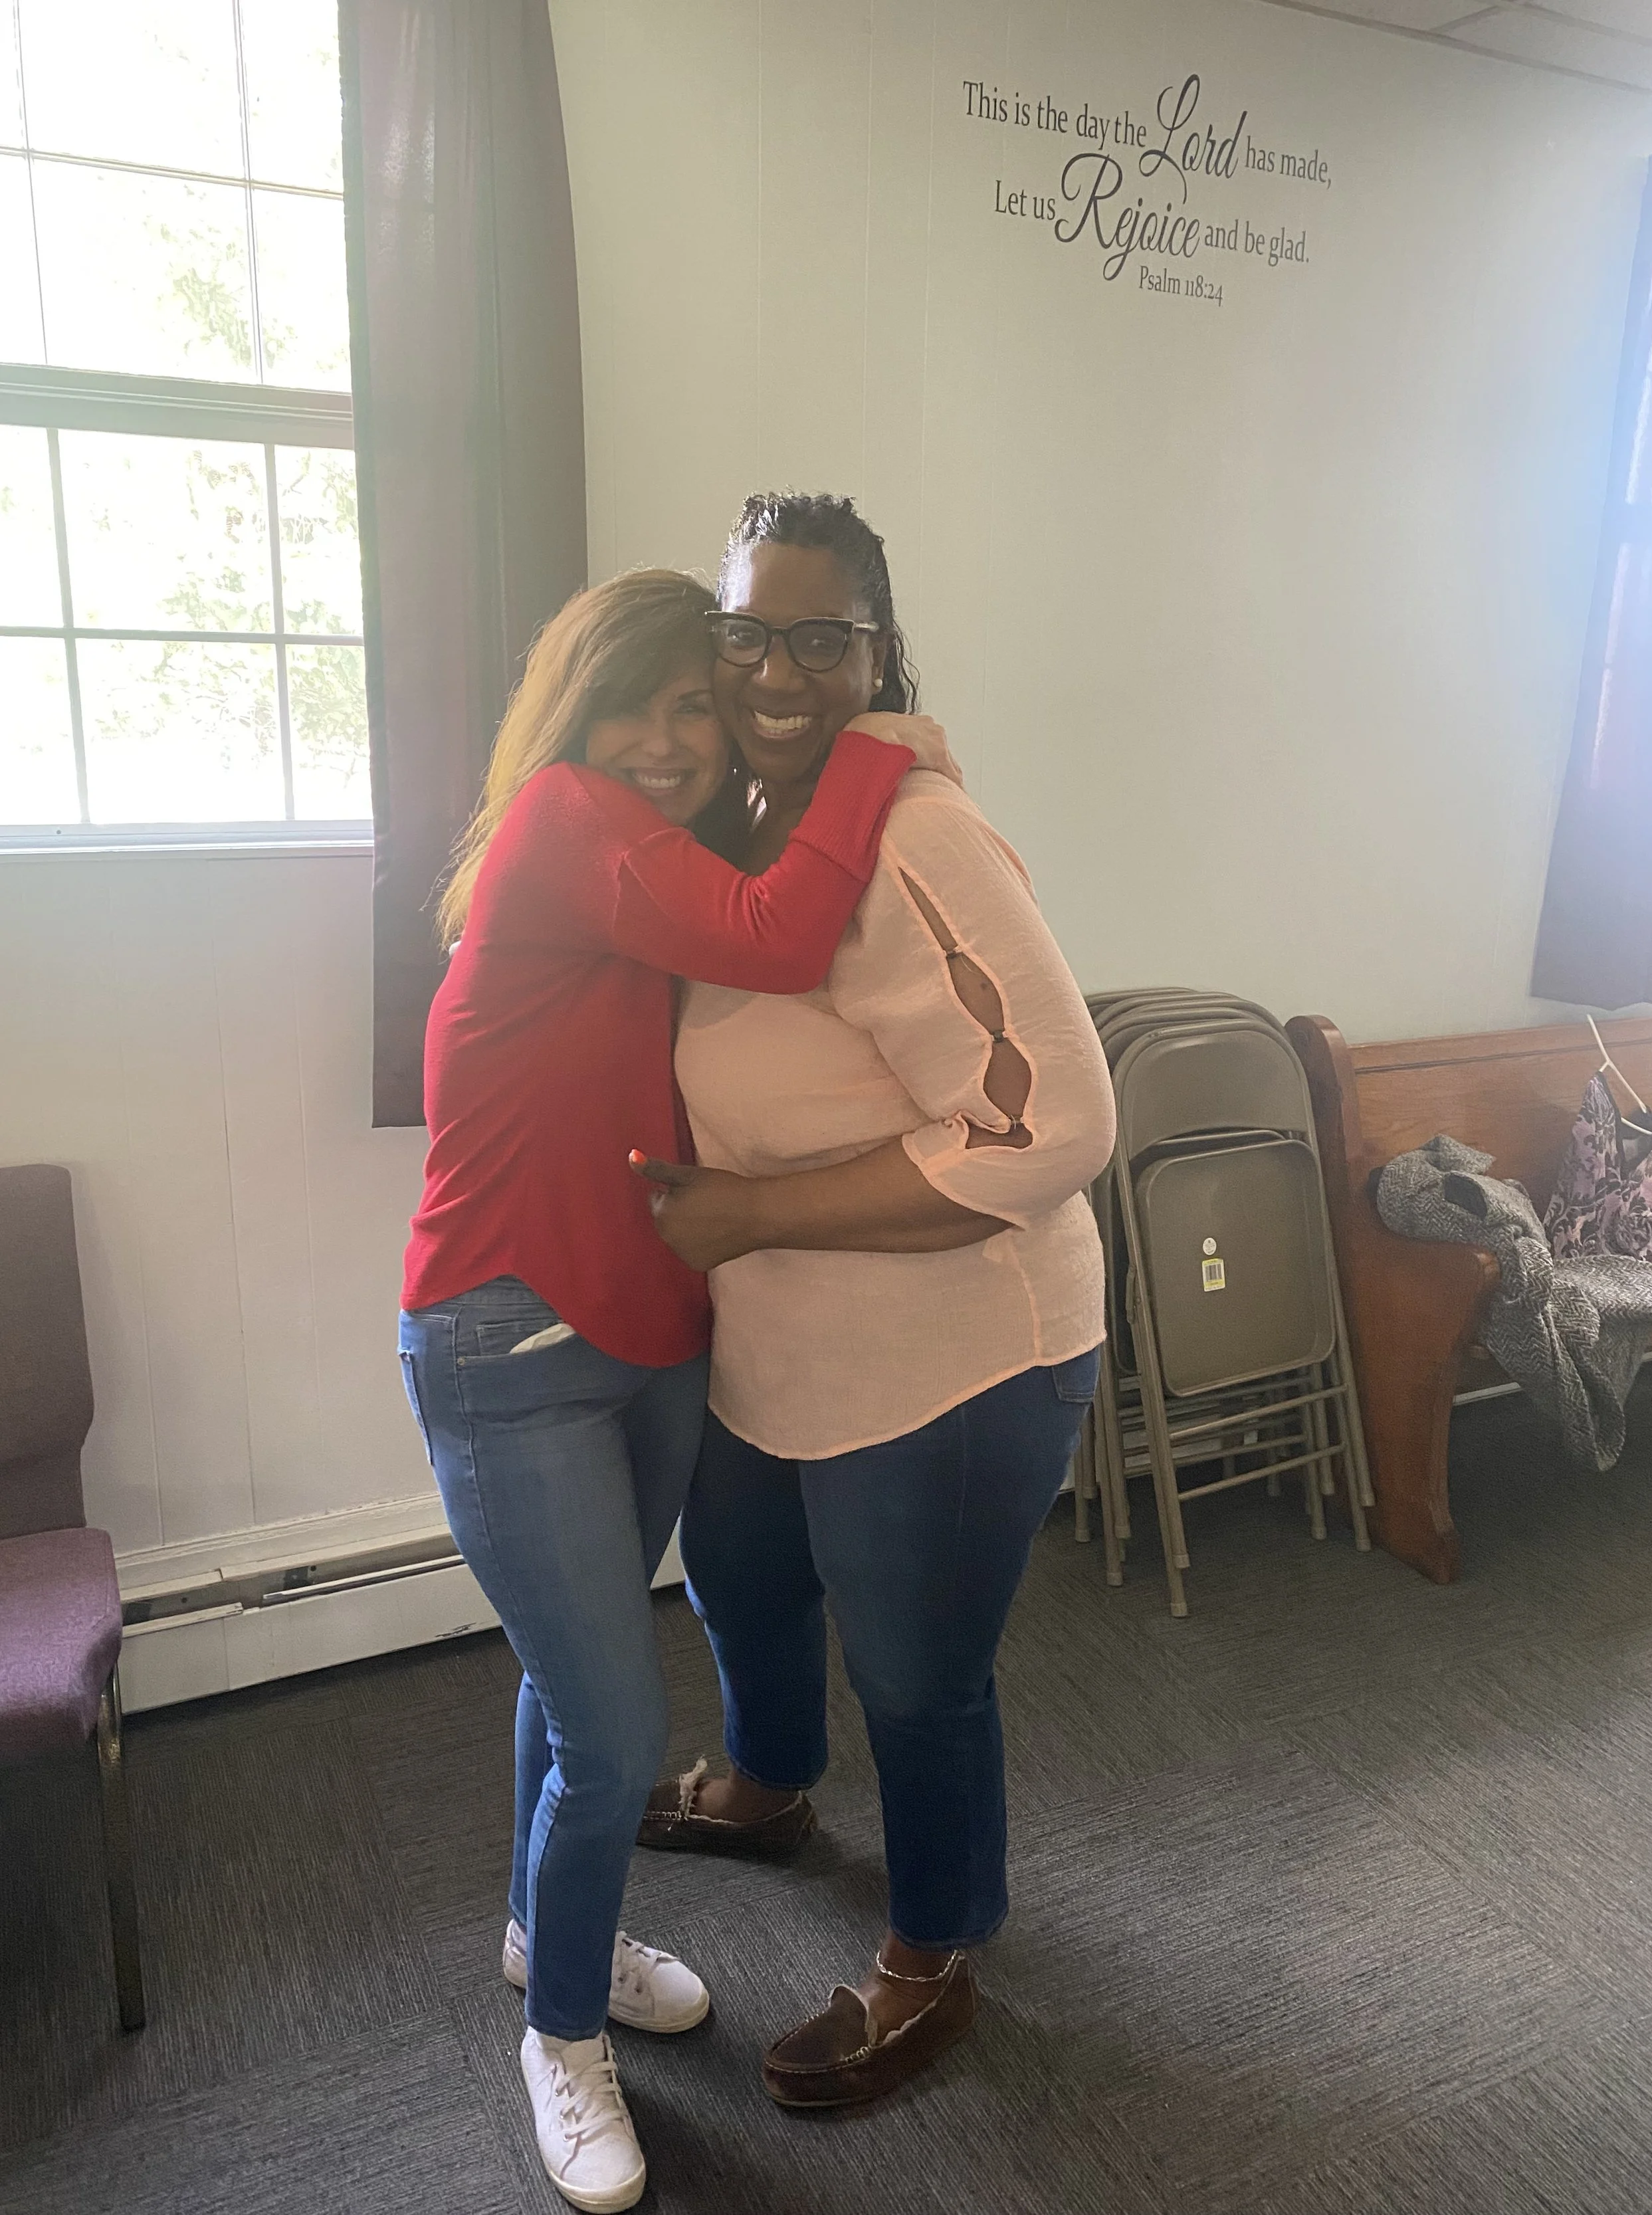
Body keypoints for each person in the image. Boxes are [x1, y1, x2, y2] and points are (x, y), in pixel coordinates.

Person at [397, 567, 944, 2211]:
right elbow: (781, 934)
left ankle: (537, 1930)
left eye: (691, 705)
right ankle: (560, 2037)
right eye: (632, 701)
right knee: (618, 1728)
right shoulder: (566, 820)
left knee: (569, 1688)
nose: (666, 735)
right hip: (508, 1341)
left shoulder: (656, 856)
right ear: (573, 716)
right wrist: (880, 741)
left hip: (645, 1334)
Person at [631, 494, 1116, 2109]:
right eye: (745, 633)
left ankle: (933, 1947)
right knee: (744, 1578)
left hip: (956, 1352)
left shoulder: (917, 838)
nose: (775, 671)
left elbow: (1058, 1124)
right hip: (771, 1338)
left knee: (915, 1673)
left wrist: (748, 1212)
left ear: (876, 652)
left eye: (817, 638)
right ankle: (771, 1781)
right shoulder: (744, 819)